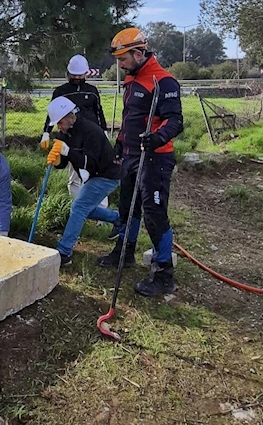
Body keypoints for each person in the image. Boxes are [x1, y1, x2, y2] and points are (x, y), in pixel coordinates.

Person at [97, 28, 184, 298]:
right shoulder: (132, 81)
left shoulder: (164, 82)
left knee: (154, 216)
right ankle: (124, 252)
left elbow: (176, 121)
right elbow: (129, 118)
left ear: (138, 53)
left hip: (155, 158)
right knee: (128, 208)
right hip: (132, 156)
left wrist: (157, 138)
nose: (120, 65)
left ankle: (164, 274)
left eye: (123, 59)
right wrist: (121, 143)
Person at [45, 97, 121, 266]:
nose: (59, 127)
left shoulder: (91, 131)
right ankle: (119, 219)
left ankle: (64, 251)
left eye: (61, 122)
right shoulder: (64, 134)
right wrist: (58, 160)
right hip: (93, 175)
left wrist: (68, 151)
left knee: (79, 207)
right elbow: (66, 162)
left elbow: (90, 162)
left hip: (107, 174)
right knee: (83, 207)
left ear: (70, 117)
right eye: (57, 124)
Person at [40, 55, 113, 214]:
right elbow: (52, 114)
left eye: (80, 75)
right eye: (74, 75)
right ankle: (80, 209)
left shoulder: (92, 91)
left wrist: (104, 131)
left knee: (97, 174)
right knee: (75, 176)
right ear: (68, 73)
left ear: (85, 74)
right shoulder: (61, 92)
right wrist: (46, 133)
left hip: (93, 138)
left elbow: (99, 112)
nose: (77, 78)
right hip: (71, 138)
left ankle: (102, 213)